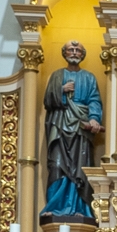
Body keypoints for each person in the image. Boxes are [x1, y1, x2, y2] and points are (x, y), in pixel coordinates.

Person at [42, 40, 104, 219]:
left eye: (78, 50)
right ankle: (55, 206)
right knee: (57, 166)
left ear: (82, 55)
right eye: (71, 49)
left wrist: (94, 118)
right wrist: (61, 90)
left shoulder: (89, 77)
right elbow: (47, 100)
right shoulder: (57, 75)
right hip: (60, 125)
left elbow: (94, 100)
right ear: (65, 53)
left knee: (80, 167)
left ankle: (79, 207)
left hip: (80, 128)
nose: (75, 52)